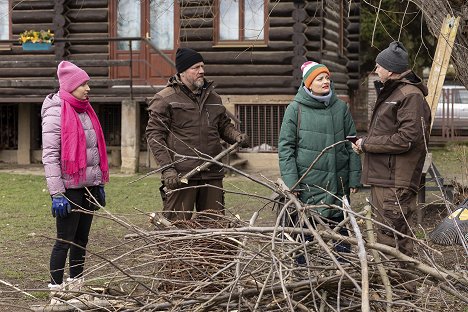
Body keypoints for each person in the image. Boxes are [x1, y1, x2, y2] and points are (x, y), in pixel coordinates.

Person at [146, 47, 249, 221]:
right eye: (196, 67)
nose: (202, 71)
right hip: (182, 175)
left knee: (213, 231)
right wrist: (168, 170)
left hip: (212, 172)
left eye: (202, 66)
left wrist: (236, 136)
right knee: (176, 231)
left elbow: (223, 126)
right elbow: (155, 136)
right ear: (183, 71)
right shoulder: (165, 99)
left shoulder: (213, 98)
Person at [353, 41, 431, 257]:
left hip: (395, 181)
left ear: (391, 68)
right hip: (385, 178)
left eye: (379, 65)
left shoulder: (410, 96)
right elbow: (388, 134)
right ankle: (399, 289)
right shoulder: (393, 93)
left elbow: (406, 139)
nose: (376, 69)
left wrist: (368, 144)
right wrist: (365, 143)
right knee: (389, 236)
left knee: (392, 240)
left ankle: (399, 289)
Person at [278, 61, 362, 261]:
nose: (325, 81)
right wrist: (292, 182)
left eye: (327, 78)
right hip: (308, 185)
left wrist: (354, 178)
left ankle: (343, 277)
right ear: (308, 84)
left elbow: (352, 145)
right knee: (304, 236)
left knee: (341, 236)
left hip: (337, 183)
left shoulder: (340, 108)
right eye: (319, 78)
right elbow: (286, 148)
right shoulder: (295, 109)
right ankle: (301, 277)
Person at [41, 61, 108, 298]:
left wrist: (98, 182)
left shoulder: (85, 109)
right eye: (83, 84)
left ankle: (77, 286)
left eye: (88, 83)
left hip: (88, 186)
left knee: (81, 240)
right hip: (69, 189)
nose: (88, 88)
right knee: (64, 241)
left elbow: (95, 151)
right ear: (70, 86)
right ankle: (56, 291)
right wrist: (57, 193)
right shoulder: (56, 111)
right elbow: (50, 156)